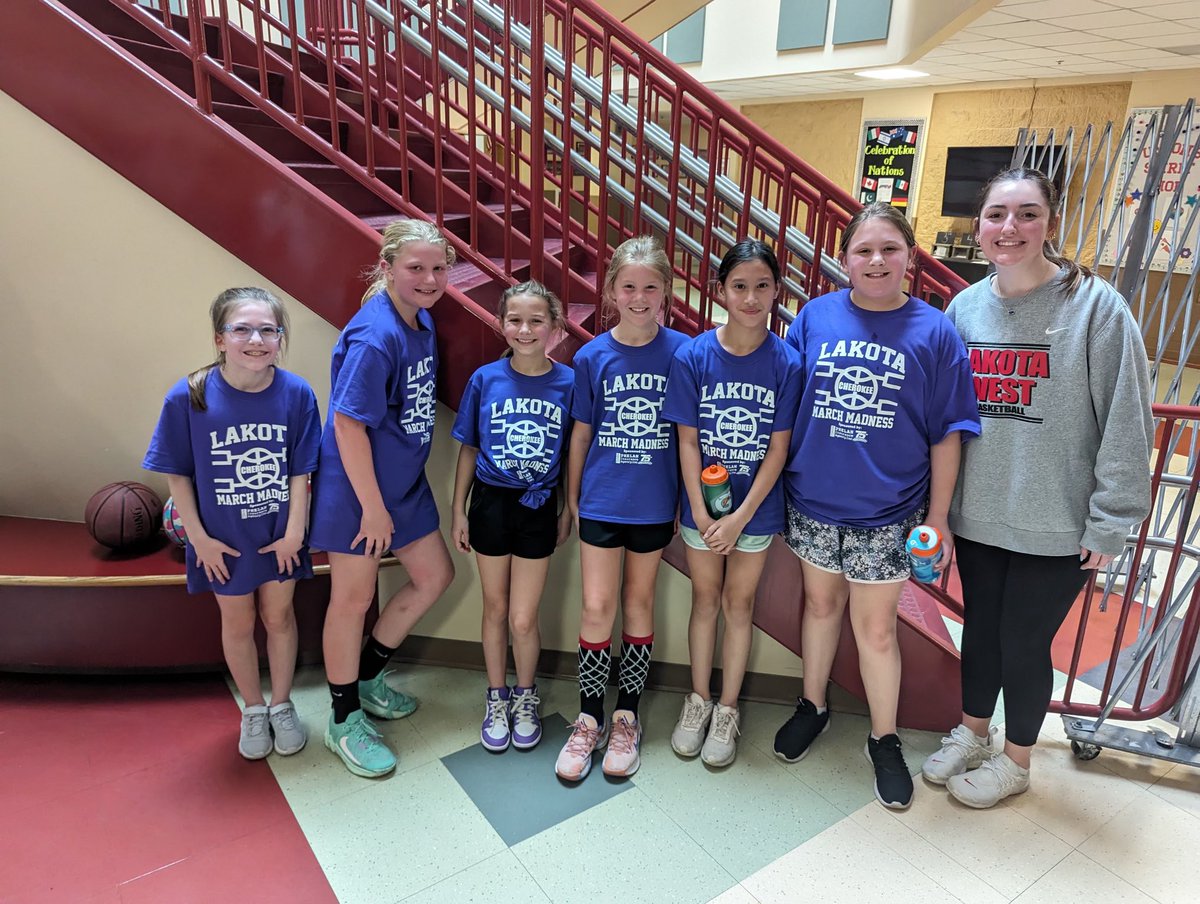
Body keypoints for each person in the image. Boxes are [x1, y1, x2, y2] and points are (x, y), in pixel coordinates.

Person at [922, 167, 1153, 808]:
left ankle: (1017, 759)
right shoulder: (965, 308)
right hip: (977, 513)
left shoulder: (1097, 308)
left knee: (1025, 642)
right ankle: (973, 733)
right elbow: (943, 419)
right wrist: (937, 510)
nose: (1010, 227)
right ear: (979, 225)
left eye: (1027, 214)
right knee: (980, 631)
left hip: (1057, 521)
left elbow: (1127, 420)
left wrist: (1111, 519)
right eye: (997, 214)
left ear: (1050, 222)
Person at [771, 203, 981, 810]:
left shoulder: (935, 332)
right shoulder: (814, 317)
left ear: (910, 257)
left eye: (890, 248)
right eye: (863, 250)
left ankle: (883, 739)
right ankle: (812, 705)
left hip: (889, 513)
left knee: (877, 630)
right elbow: (785, 405)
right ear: (845, 259)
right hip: (813, 502)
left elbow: (947, 434)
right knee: (819, 607)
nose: (877, 260)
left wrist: (937, 518)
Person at [144, 287, 321, 760]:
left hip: (278, 535)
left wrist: (295, 533)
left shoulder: (297, 393)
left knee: (279, 617)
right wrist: (199, 540)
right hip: (222, 540)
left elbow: (301, 472)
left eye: (268, 330)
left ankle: (282, 704)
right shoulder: (190, 395)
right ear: (220, 338)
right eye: (242, 329)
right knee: (238, 622)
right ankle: (254, 709)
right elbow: (177, 474)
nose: (256, 340)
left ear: (280, 338)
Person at [309, 220, 457, 778]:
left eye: (438, 268)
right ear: (388, 267)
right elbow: (347, 425)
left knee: (434, 576)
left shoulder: (420, 318)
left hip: (403, 486)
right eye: (416, 268)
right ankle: (342, 719)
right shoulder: (376, 337)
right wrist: (372, 509)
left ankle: (368, 677)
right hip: (358, 492)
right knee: (352, 600)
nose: (429, 279)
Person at [661, 238, 803, 768]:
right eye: (739, 286)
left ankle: (727, 708)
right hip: (701, 511)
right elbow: (687, 441)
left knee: (739, 606)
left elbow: (778, 448)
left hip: (755, 513)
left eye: (762, 286)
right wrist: (700, 512)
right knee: (704, 601)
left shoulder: (787, 363)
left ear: (777, 291)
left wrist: (740, 518)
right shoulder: (694, 356)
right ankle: (697, 700)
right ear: (720, 290)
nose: (750, 297)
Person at [555, 236, 689, 781]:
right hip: (602, 501)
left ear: (666, 292)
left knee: (638, 603)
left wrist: (684, 500)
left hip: (654, 504)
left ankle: (626, 717)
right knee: (596, 606)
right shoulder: (591, 356)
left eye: (650, 287)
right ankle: (589, 718)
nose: (638, 297)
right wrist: (573, 500)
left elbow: (688, 437)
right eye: (628, 286)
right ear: (611, 290)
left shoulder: (683, 352)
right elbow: (581, 435)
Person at [450, 281, 574, 754]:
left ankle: (525, 695)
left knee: (523, 618)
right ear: (501, 323)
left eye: (536, 320)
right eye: (515, 320)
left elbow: (573, 453)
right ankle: (496, 696)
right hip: (490, 505)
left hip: (538, 507)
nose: (524, 330)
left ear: (554, 326)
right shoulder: (485, 379)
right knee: (496, 609)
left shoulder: (569, 383)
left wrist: (567, 509)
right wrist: (458, 510)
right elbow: (469, 448)